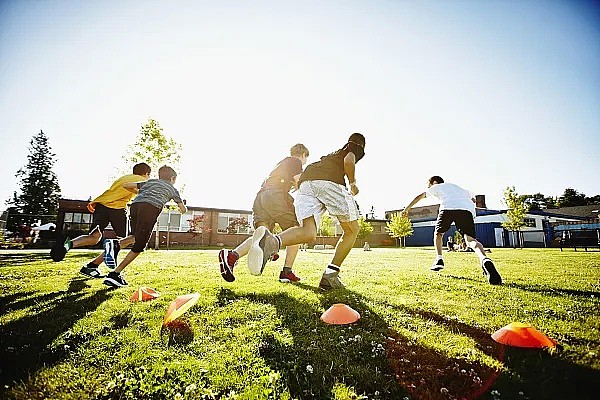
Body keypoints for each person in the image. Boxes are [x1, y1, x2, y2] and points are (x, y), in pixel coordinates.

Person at [246, 133, 366, 291]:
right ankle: (330, 276)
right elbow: (349, 160)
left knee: (308, 233)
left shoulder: (330, 156)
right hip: (328, 182)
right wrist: (353, 183)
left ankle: (271, 242)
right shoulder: (354, 145)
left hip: (306, 184)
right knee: (352, 229)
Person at [219, 144, 310, 283]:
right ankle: (287, 271)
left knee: (261, 237)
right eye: (305, 159)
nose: (304, 162)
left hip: (261, 197)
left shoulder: (279, 165)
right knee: (296, 231)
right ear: (303, 154)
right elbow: (300, 181)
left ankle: (232, 256)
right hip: (275, 196)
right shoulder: (295, 161)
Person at [50, 163, 151, 279]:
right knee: (124, 241)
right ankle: (94, 265)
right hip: (117, 209)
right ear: (146, 173)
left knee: (94, 237)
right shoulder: (142, 180)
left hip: (101, 206)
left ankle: (69, 244)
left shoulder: (123, 178)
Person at [402, 176, 502, 285]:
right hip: (466, 210)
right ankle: (484, 259)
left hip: (448, 208)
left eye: (429, 186)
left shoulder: (437, 186)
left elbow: (420, 196)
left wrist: (406, 209)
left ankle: (439, 259)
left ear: (434, 183)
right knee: (470, 240)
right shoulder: (458, 188)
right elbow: (473, 199)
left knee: (438, 233)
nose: (429, 188)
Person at [103, 165, 186, 288]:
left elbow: (126, 186)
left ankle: (116, 246)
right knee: (140, 245)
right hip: (150, 208)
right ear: (173, 178)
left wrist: (141, 192)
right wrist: (183, 206)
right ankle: (115, 273)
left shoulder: (150, 182)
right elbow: (183, 210)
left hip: (135, 206)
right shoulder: (172, 189)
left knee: (135, 236)